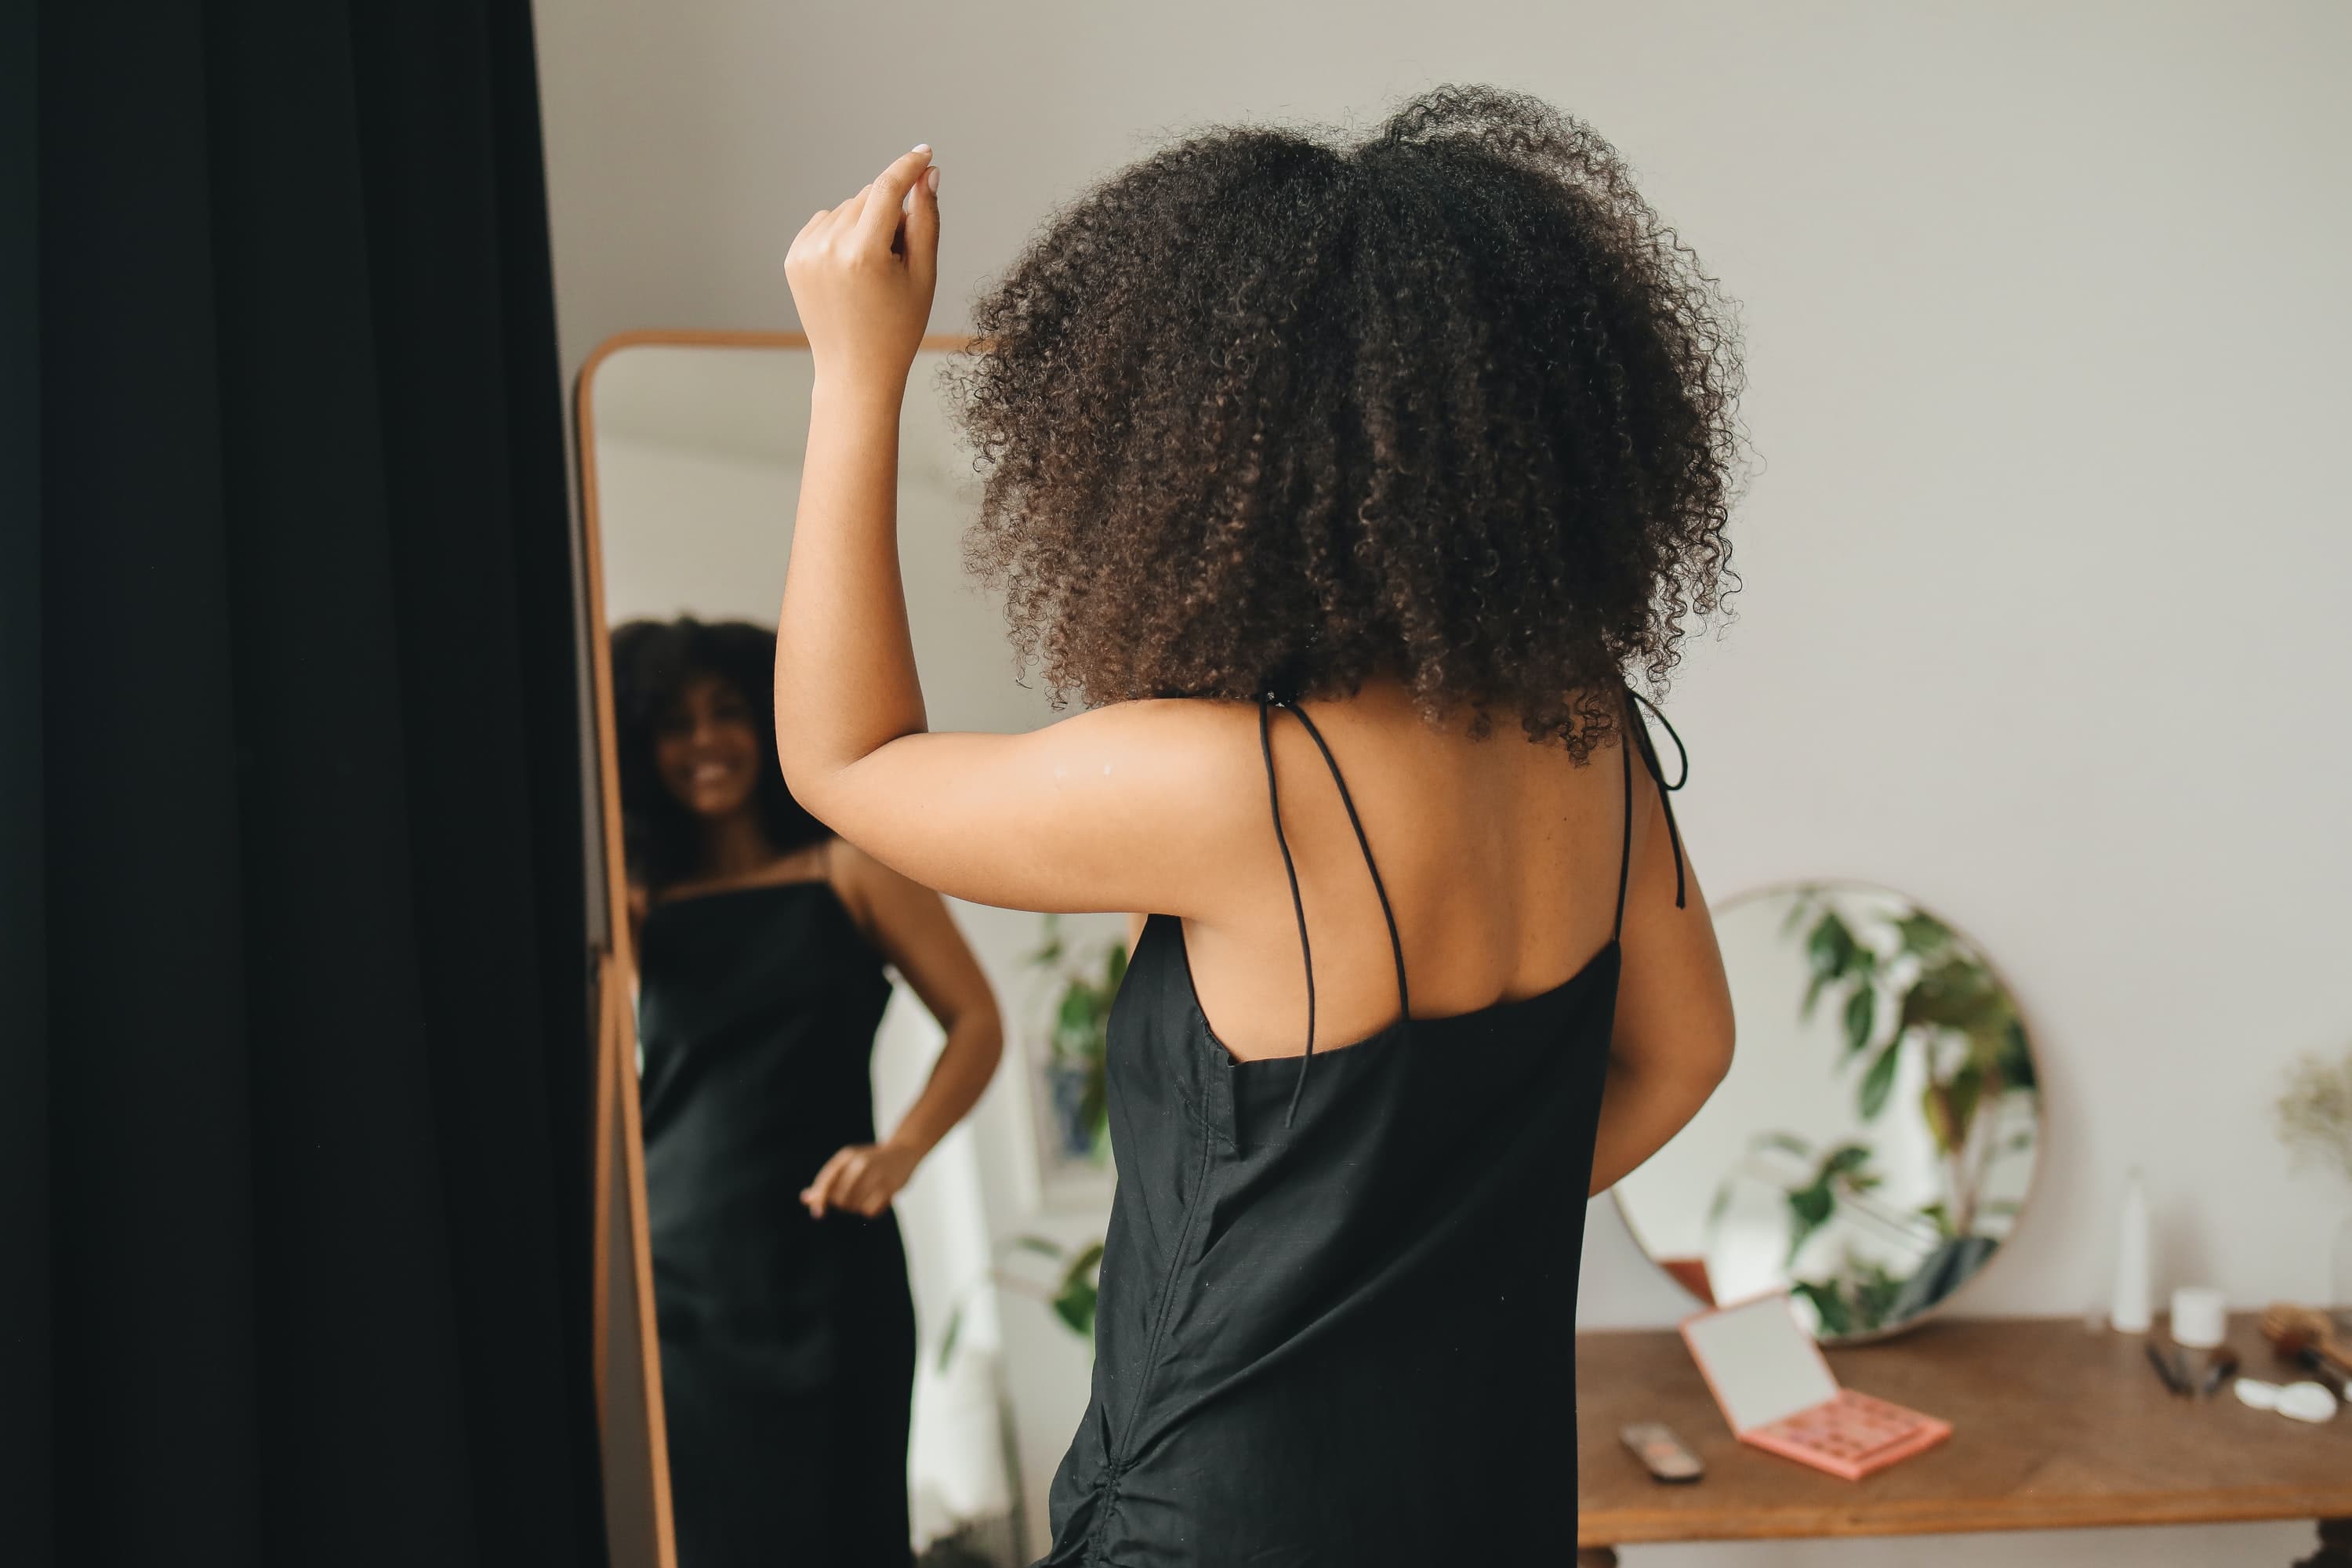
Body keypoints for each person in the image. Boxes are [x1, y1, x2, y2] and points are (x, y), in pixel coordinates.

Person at [777, 86, 1738, 1565]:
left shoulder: (1238, 785)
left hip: (1224, 1516)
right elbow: (1686, 1053)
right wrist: (1426, 1244)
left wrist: (856, 373)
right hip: (1484, 1509)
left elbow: (847, 760)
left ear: (1194, 455)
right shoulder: (1588, 738)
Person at [612, 616, 1002, 1568]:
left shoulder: (851, 867)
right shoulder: (631, 902)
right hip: (678, 1291)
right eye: (674, 723)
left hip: (832, 1269)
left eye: (729, 712)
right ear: (639, 745)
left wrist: (903, 1150)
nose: (705, 741)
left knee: (852, 1536)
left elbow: (977, 1022)